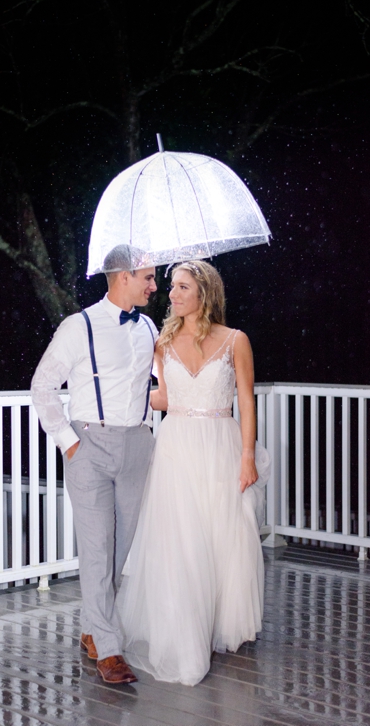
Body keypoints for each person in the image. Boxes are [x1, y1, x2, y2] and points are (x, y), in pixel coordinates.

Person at [115, 259, 267, 686]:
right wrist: (132, 394)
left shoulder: (236, 341)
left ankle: (218, 624)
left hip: (221, 444)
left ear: (205, 293)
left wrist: (247, 456)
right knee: (180, 539)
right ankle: (182, 633)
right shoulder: (161, 343)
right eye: (172, 287)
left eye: (182, 287)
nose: (173, 294)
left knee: (221, 536)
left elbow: (247, 402)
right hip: (176, 446)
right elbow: (164, 397)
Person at [31, 244, 158, 686]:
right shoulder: (77, 326)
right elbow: (42, 385)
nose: (154, 286)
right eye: (148, 277)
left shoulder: (149, 328)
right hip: (90, 446)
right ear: (123, 276)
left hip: (138, 446)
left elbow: (157, 385)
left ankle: (91, 629)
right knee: (98, 550)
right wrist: (69, 443)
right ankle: (109, 650)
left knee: (123, 550)